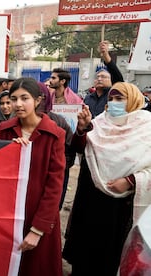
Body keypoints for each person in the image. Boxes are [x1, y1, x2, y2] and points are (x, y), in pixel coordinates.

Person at [62, 82, 151, 276]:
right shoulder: (100, 121)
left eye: (120, 99)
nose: (113, 103)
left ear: (134, 100)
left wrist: (130, 181)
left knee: (113, 254)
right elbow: (80, 148)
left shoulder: (147, 126)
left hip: (122, 206)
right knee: (87, 251)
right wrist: (82, 129)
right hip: (92, 199)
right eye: (111, 99)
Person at [0, 77, 65, 276]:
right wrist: (10, 153)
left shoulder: (55, 134)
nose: (17, 104)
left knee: (37, 267)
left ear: (37, 100)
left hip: (39, 215)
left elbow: (55, 186)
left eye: (24, 98)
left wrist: (38, 229)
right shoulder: (5, 130)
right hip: (9, 214)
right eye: (13, 98)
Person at [84, 41, 124, 118]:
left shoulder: (114, 95)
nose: (99, 79)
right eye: (97, 77)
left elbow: (116, 74)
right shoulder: (88, 98)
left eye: (103, 77)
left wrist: (106, 55)